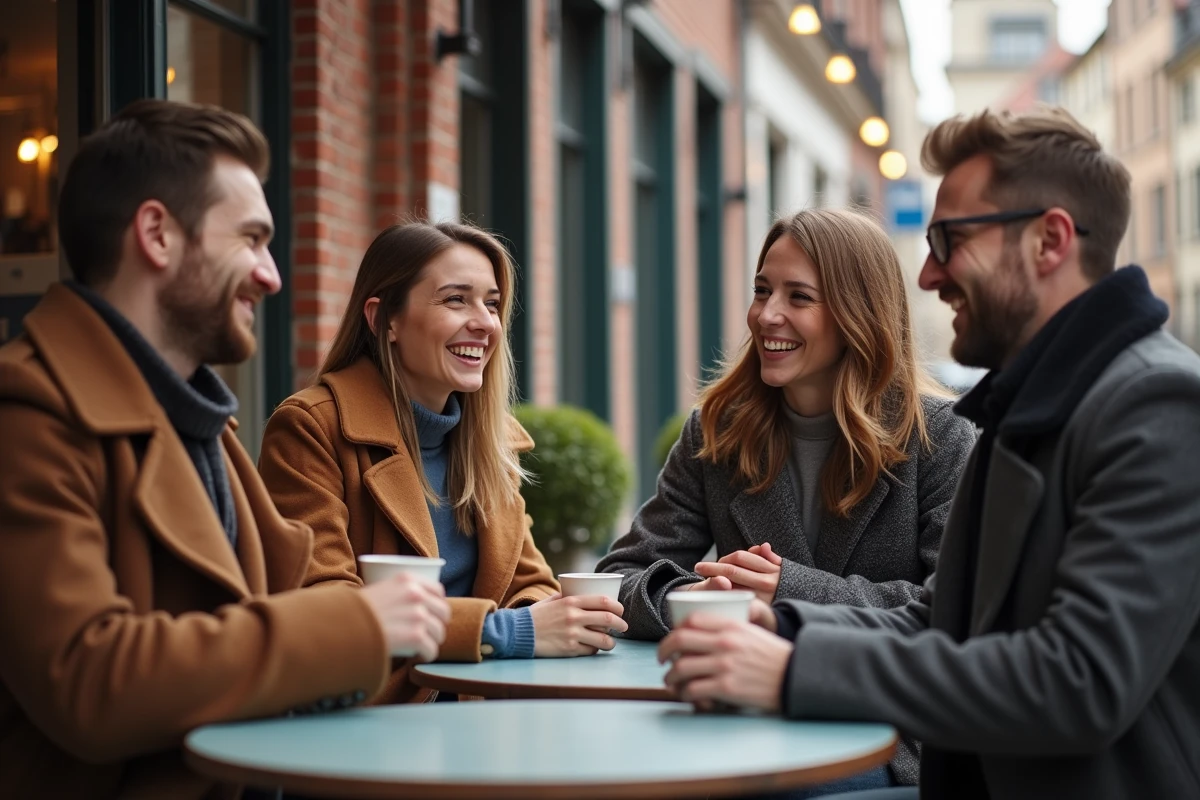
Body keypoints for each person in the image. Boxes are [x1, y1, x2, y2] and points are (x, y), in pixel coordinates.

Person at [657, 105, 1200, 800]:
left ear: (1049, 240)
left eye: (949, 239)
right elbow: (945, 621)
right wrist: (783, 624)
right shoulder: (1031, 406)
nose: (927, 276)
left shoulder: (1155, 405)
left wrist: (795, 670)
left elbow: (1079, 682)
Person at [0, 100, 450, 798]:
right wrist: (354, 625)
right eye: (251, 239)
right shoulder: (28, 416)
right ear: (157, 234)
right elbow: (89, 679)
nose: (270, 275)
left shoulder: (199, 421)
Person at [597, 207, 977, 790]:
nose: (766, 315)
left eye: (799, 297)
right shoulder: (718, 431)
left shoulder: (942, 436)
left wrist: (786, 591)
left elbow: (950, 613)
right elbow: (622, 575)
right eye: (761, 290)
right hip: (739, 717)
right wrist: (700, 599)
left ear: (858, 313)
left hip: (887, 731)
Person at [258, 221, 627, 704]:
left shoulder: (490, 445)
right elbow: (328, 610)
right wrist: (505, 632)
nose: (485, 323)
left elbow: (528, 583)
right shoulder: (311, 428)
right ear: (383, 318)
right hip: (365, 734)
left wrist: (557, 619)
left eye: (492, 304)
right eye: (456, 299)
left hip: (479, 726)